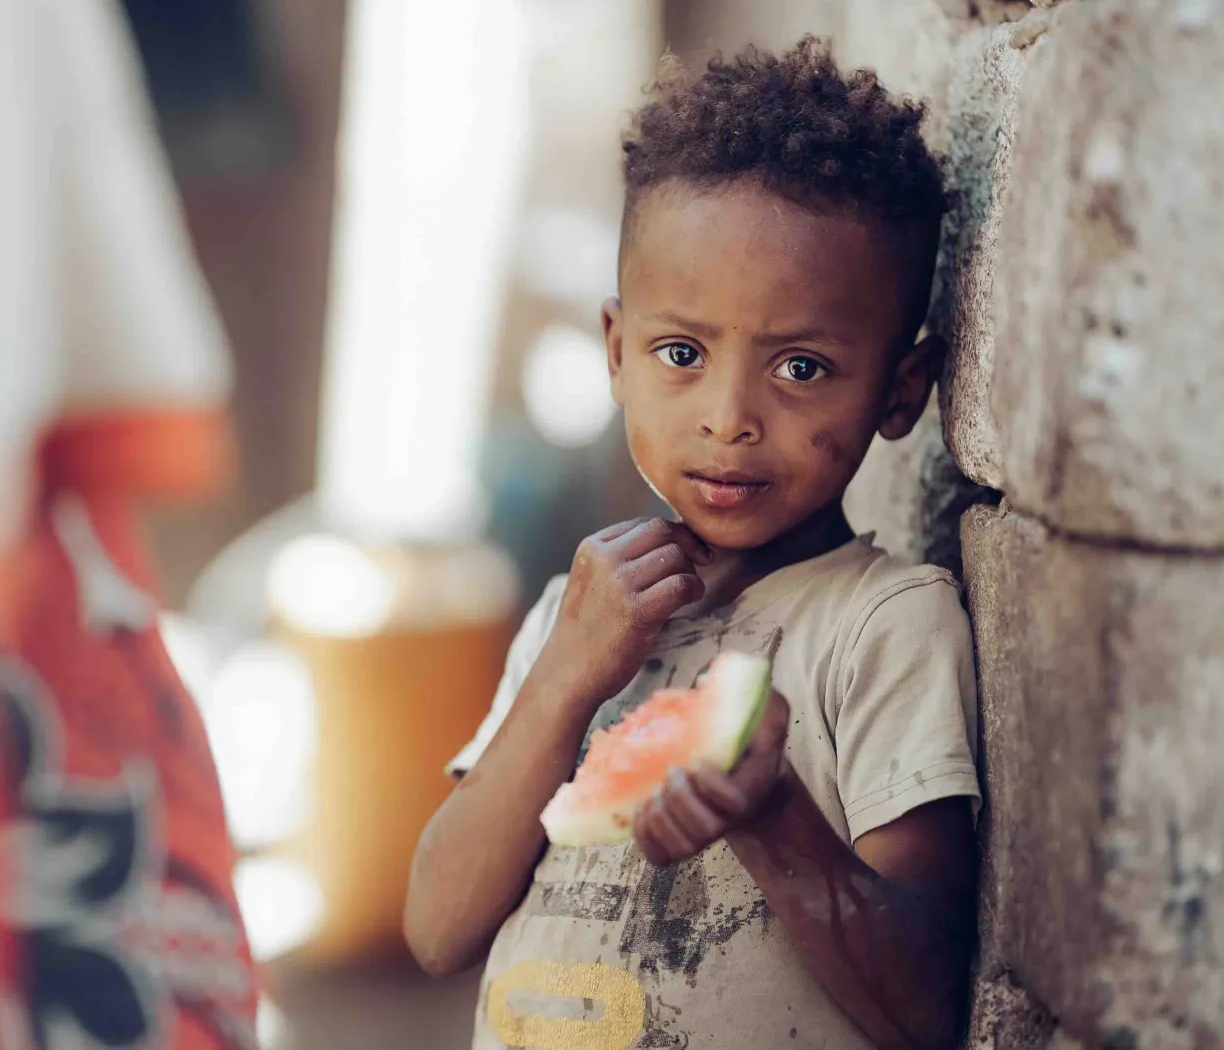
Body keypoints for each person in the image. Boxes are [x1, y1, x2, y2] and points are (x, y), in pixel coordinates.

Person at [405, 38, 979, 1050]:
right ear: (617, 353)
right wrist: (565, 676)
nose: (728, 418)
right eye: (681, 354)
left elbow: (926, 1008)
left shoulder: (882, 625)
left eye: (801, 367)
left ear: (901, 389)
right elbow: (438, 928)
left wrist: (772, 817)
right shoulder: (571, 616)